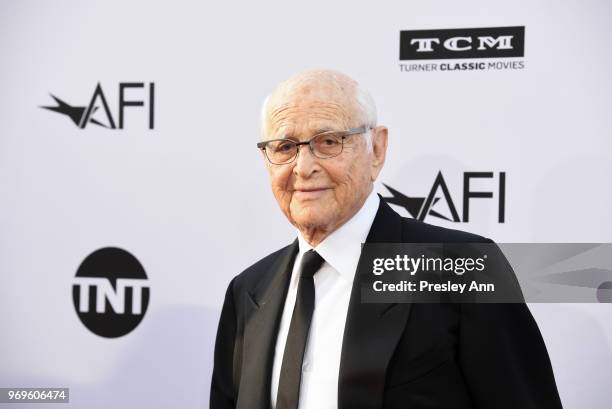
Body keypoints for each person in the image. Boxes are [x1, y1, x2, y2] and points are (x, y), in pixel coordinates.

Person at [210, 69, 562, 409]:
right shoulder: (248, 291)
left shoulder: (461, 267)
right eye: (285, 147)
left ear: (376, 150)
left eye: (329, 141)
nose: (303, 167)